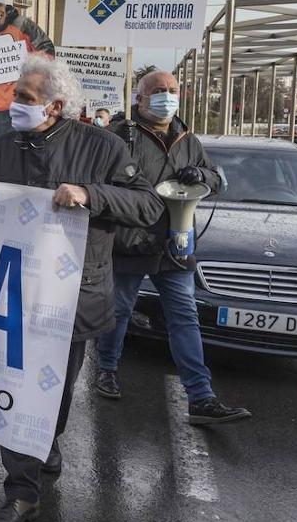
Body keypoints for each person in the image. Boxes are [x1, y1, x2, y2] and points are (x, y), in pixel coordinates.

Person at [0, 55, 162, 522]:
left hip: (74, 295)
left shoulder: (104, 148)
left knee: (57, 393)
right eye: (14, 96)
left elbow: (149, 206)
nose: (13, 105)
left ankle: (47, 439)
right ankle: (22, 492)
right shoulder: (4, 145)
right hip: (13, 294)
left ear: (54, 107)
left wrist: (91, 195)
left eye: (25, 99)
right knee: (20, 389)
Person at [95, 70, 250, 424]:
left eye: (172, 90)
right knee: (118, 311)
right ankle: (107, 367)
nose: (166, 95)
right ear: (140, 98)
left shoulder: (187, 139)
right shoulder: (122, 134)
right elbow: (100, 180)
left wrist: (203, 177)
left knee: (184, 318)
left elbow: (214, 177)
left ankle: (201, 396)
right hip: (131, 241)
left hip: (175, 242)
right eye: (158, 91)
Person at [0, 0, 55, 137]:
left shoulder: (23, 24)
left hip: (26, 101)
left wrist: (27, 65)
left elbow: (48, 51)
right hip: (1, 107)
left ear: (5, 5)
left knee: (29, 149)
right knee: (6, 152)